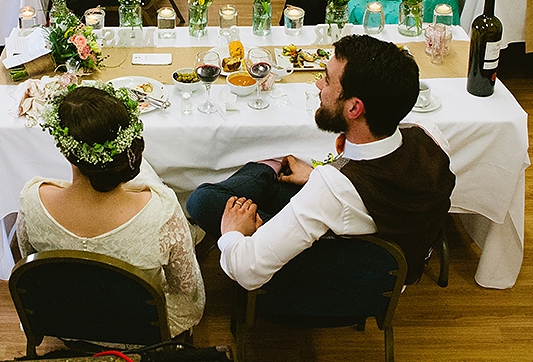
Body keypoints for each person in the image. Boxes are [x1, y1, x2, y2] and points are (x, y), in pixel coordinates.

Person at [185, 35, 456, 290]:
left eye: (326, 80)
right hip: (389, 271)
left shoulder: (333, 188)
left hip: (333, 277)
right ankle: (267, 170)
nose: (318, 85)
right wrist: (316, 175)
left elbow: (246, 270)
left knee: (203, 201)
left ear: (354, 108)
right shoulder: (429, 135)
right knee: (242, 193)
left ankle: (266, 167)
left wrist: (234, 233)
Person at [18, 84, 205, 338]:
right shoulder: (161, 211)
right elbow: (186, 288)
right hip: (141, 328)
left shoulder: (32, 200)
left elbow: (31, 264)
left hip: (65, 321)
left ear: (64, 151)